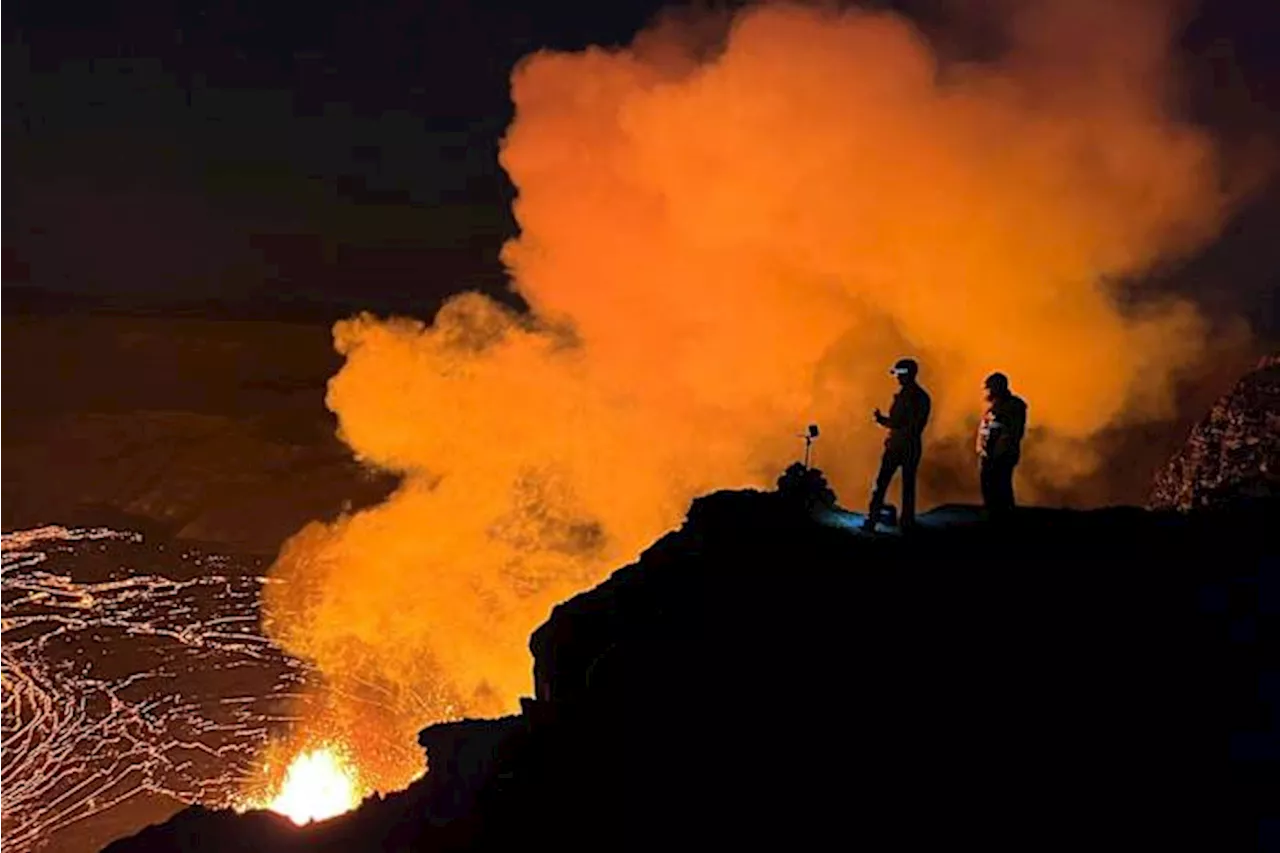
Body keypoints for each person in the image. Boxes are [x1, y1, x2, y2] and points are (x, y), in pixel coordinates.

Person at [863, 357, 931, 532]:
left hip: (902, 446)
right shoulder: (915, 396)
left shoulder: (918, 397)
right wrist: (885, 421)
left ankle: (877, 520)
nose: (897, 377)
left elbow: (909, 424)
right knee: (893, 484)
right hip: (901, 445)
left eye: (900, 374)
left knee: (889, 484)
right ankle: (888, 520)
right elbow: (901, 422)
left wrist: (887, 422)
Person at [976, 372, 1028, 514]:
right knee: (989, 488)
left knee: (1001, 488)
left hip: (1002, 456)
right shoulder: (992, 407)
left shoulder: (1014, 406)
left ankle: (1003, 519)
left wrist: (998, 453)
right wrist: (982, 450)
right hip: (989, 456)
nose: (988, 391)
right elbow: (985, 430)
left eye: (991, 388)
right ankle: (994, 515)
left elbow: (1012, 433)